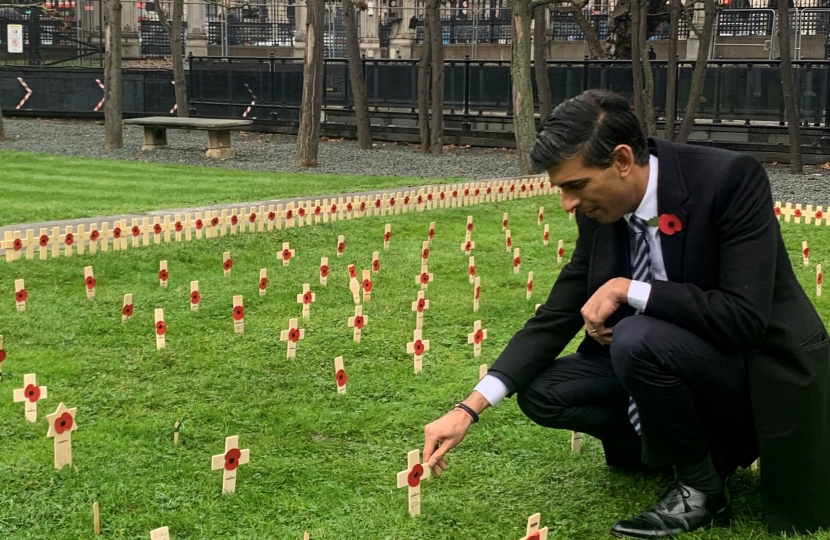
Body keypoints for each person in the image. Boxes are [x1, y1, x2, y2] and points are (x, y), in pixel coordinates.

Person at [422, 89, 830, 537]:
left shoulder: (729, 179)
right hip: (667, 360)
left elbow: (743, 317)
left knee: (637, 337)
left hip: (753, 366)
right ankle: (686, 450)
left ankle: (702, 492)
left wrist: (629, 289)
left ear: (621, 160)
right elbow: (557, 314)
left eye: (575, 186)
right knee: (544, 392)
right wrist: (469, 408)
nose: (568, 204)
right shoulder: (599, 213)